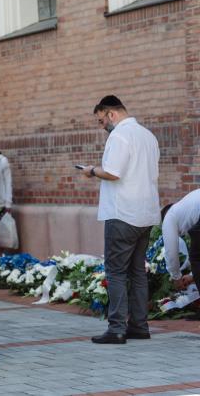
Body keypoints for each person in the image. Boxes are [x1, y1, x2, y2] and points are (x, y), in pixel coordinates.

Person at [82, 95, 160, 344]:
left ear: (111, 114)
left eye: (101, 120)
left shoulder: (119, 135)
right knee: (137, 272)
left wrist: (91, 170)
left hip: (122, 213)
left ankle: (116, 328)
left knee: (115, 272)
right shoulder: (148, 136)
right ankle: (139, 326)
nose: (102, 126)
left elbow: (113, 173)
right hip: (146, 213)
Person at [160, 194, 199, 306]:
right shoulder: (184, 209)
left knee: (196, 257)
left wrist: (176, 277)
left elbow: (171, 252)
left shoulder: (169, 218)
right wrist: (192, 276)